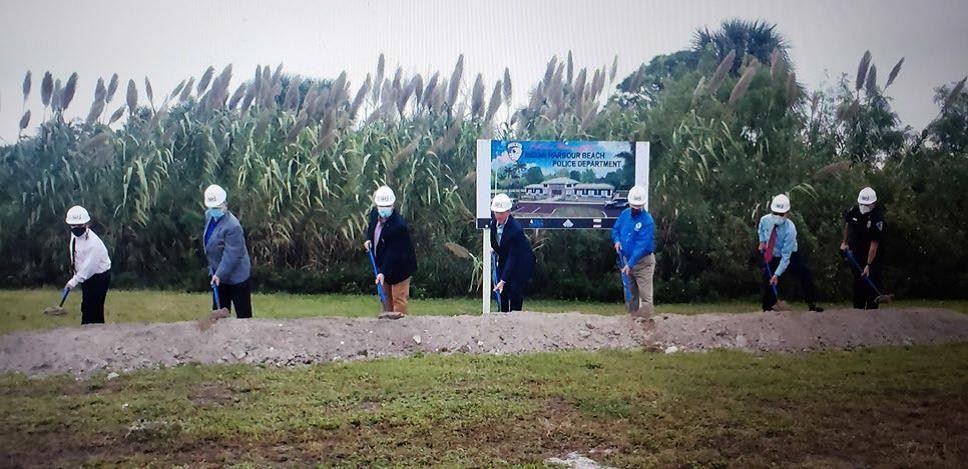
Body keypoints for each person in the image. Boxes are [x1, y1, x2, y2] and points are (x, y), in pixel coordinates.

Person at [757, 194, 824, 312]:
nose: (777, 216)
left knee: (805, 274)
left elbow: (786, 257)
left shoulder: (790, 229)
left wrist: (777, 274)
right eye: (775, 213)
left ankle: (811, 304)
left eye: (781, 214)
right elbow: (761, 230)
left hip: (789, 255)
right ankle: (767, 309)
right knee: (767, 279)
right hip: (771, 253)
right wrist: (762, 242)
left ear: (787, 213)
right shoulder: (765, 220)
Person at [364, 185, 417, 318]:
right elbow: (371, 228)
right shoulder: (374, 214)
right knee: (385, 298)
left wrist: (382, 272)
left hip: (400, 267)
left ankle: (401, 327)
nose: (384, 210)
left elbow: (392, 253)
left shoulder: (399, 226)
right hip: (383, 265)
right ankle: (387, 327)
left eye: (387, 206)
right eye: (381, 206)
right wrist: (368, 239)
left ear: (393, 205)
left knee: (398, 300)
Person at [203, 184, 252, 318]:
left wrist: (219, 274)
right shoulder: (209, 216)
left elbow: (232, 255)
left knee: (243, 315)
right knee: (219, 313)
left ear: (225, 205)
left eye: (217, 208)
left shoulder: (233, 226)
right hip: (217, 273)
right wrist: (215, 270)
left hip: (236, 275)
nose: (214, 210)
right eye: (212, 208)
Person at [611, 185, 656, 317]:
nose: (635, 209)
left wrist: (630, 264)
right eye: (633, 206)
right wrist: (617, 240)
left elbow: (641, 246)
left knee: (646, 296)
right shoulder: (625, 214)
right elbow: (616, 229)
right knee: (630, 295)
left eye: (638, 206)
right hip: (626, 261)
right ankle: (632, 322)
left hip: (643, 263)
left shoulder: (647, 221)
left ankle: (647, 323)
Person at [64, 205, 112, 324]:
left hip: (99, 276)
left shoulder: (93, 244)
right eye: (73, 225)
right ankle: (85, 333)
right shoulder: (74, 235)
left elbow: (88, 268)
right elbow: (75, 255)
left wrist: (72, 282)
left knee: (95, 307)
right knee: (86, 306)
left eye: (79, 225)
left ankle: (97, 334)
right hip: (85, 275)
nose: (76, 228)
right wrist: (76, 274)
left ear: (87, 224)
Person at [840, 187, 885, 309]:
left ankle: (872, 313)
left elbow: (874, 244)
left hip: (873, 256)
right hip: (856, 252)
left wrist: (868, 265)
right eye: (861, 204)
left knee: (871, 286)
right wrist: (845, 242)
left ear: (873, 204)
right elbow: (848, 225)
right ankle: (858, 313)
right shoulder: (854, 211)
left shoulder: (877, 218)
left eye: (866, 204)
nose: (863, 206)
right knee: (858, 284)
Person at [489, 193, 535, 312]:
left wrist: (503, 280)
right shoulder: (493, 224)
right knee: (501, 290)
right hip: (506, 258)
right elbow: (495, 242)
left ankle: (515, 318)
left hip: (521, 262)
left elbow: (513, 257)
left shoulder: (516, 230)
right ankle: (503, 316)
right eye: (496, 212)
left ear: (508, 212)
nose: (498, 215)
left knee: (515, 290)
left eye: (501, 212)